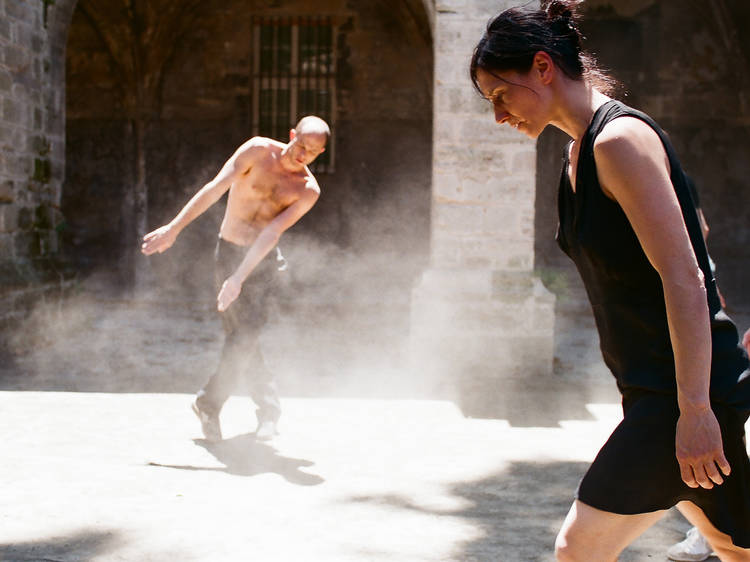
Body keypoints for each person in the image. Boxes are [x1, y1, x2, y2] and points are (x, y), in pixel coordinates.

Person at [469, 2, 750, 560]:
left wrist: (696, 410)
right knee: (733, 545)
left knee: (577, 550)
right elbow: (697, 229)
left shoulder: (616, 142)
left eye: (500, 94)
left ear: (543, 68)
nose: (499, 115)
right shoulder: (578, 154)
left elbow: (683, 274)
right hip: (654, 386)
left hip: (679, 397)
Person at [141, 115, 330, 442]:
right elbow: (215, 188)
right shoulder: (257, 150)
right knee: (241, 338)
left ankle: (209, 404)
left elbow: (272, 232)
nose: (303, 156)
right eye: (301, 146)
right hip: (227, 252)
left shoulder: (307, 190)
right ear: (291, 135)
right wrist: (174, 229)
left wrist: (239, 277)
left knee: (246, 335)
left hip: (261, 262)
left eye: (312, 153)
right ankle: (267, 410)